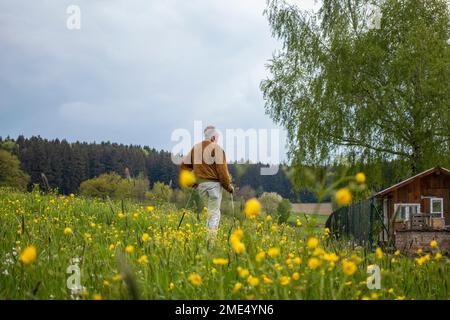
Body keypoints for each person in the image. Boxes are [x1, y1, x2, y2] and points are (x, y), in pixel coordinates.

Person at [180, 125, 234, 235]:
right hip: (214, 186)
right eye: (217, 137)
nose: (217, 140)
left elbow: (183, 166)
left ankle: (207, 240)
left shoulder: (196, 148)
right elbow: (223, 173)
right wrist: (228, 187)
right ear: (213, 137)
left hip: (201, 186)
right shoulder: (217, 149)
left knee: (210, 214)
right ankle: (211, 243)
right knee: (214, 214)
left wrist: (192, 182)